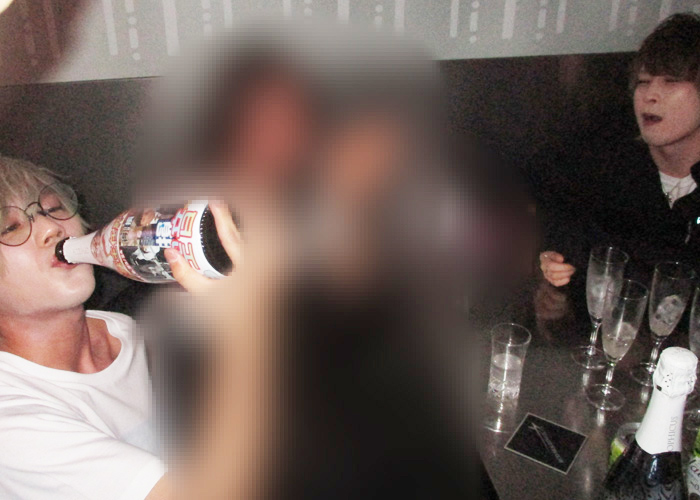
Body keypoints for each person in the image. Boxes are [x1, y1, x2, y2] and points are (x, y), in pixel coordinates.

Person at [0, 155, 248, 499]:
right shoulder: (12, 425)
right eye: (10, 228)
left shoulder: (127, 326)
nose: (51, 228)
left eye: (54, 208)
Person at [539, 13, 700, 288]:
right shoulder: (610, 163)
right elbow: (567, 238)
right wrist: (551, 260)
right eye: (643, 81)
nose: (650, 95)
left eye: (671, 81)